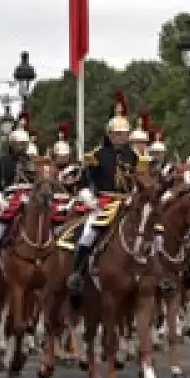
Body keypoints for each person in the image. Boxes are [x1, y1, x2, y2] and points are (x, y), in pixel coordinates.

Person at [66, 97, 140, 294]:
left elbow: (139, 181)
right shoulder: (97, 155)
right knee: (89, 233)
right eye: (117, 134)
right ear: (109, 135)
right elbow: (82, 181)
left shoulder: (134, 157)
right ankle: (77, 272)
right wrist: (89, 199)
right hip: (104, 202)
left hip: (128, 203)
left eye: (124, 134)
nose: (121, 138)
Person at [0, 122, 33, 284]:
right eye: (18, 144)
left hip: (31, 200)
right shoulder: (2, 162)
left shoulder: (32, 162)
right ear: (12, 144)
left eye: (24, 144)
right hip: (9, 200)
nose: (21, 147)